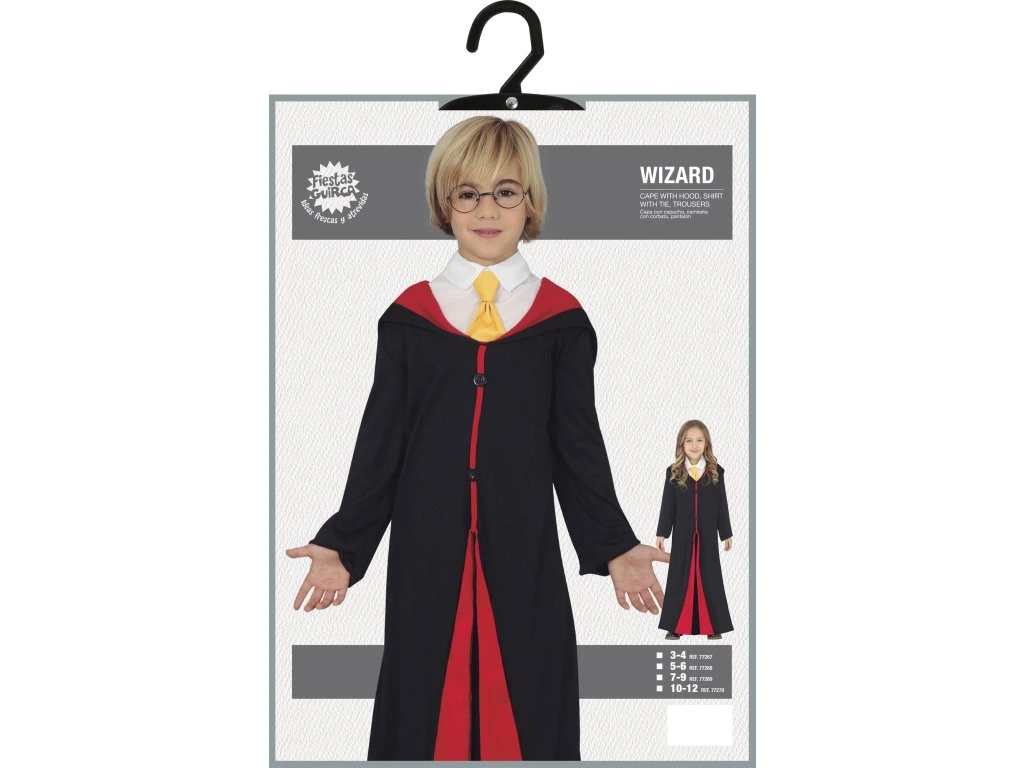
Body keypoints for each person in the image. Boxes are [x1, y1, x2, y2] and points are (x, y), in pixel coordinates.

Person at [284, 116, 669, 761]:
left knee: (529, 691)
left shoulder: (561, 320)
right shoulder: (409, 317)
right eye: (468, 193)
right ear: (445, 204)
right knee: (423, 695)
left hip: (523, 543)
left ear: (530, 203)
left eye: (505, 192)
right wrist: (345, 542)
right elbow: (382, 440)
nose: (487, 210)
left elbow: (577, 445)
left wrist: (612, 544)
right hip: (425, 545)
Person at [655, 419, 735, 640]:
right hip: (682, 534)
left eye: (699, 440)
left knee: (710, 577)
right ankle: (675, 626)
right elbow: (667, 506)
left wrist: (726, 533)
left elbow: (722, 505)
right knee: (679, 578)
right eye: (689, 440)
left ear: (706, 443)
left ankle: (713, 626)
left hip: (707, 534)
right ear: (681, 444)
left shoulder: (715, 471)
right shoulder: (674, 472)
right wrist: (662, 533)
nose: (694, 445)